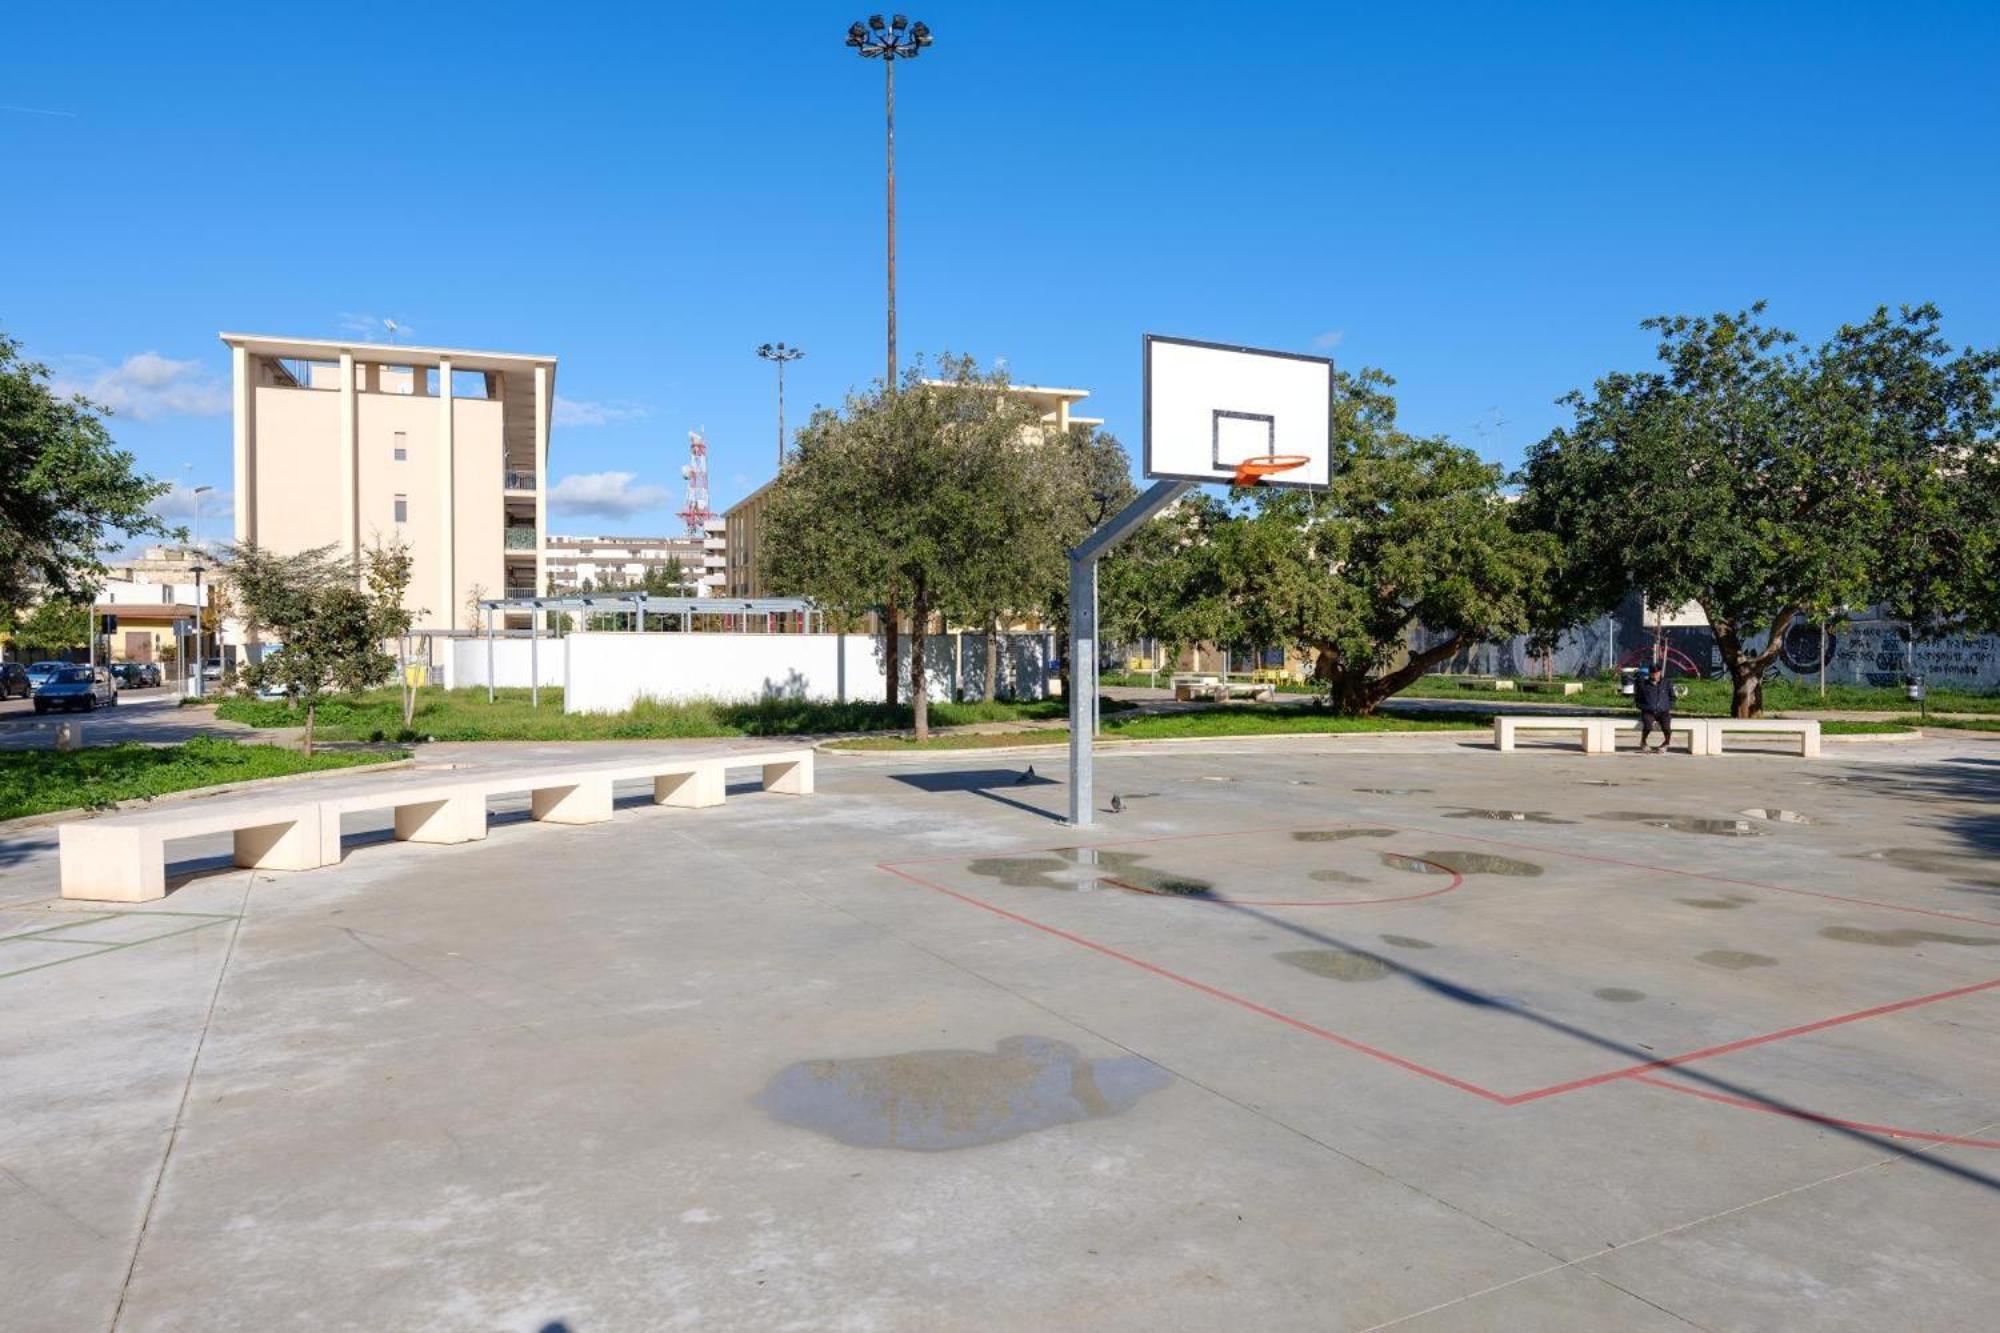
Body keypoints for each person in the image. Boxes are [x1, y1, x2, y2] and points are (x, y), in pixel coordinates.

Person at [1634, 663, 1675, 753]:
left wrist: (1668, 706)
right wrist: (1643, 707)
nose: (1655, 675)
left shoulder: (1667, 683)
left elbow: (1672, 697)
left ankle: (1666, 743)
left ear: (1660, 672)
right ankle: (1643, 742)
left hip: (1663, 711)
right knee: (1648, 726)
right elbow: (1637, 698)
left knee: (1666, 727)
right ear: (1649, 674)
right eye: (1652, 673)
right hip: (1648, 711)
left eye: (1656, 673)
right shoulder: (1644, 684)